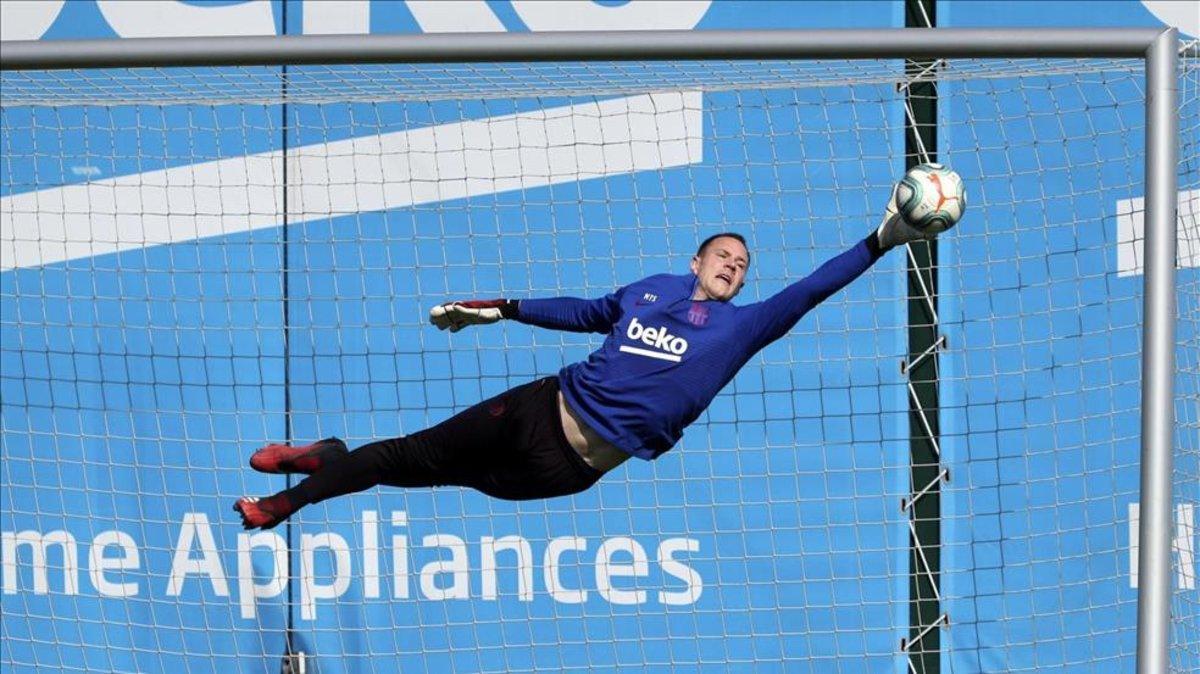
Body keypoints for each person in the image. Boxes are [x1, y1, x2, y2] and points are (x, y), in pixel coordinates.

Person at [234, 185, 939, 530]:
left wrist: (882, 238)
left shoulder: (742, 330)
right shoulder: (649, 291)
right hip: (537, 409)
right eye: (723, 254)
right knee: (396, 458)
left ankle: (328, 453)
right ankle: (286, 502)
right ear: (695, 260)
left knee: (415, 476)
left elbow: (812, 289)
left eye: (743, 264)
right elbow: (582, 313)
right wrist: (501, 307)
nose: (733, 266)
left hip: (564, 470)